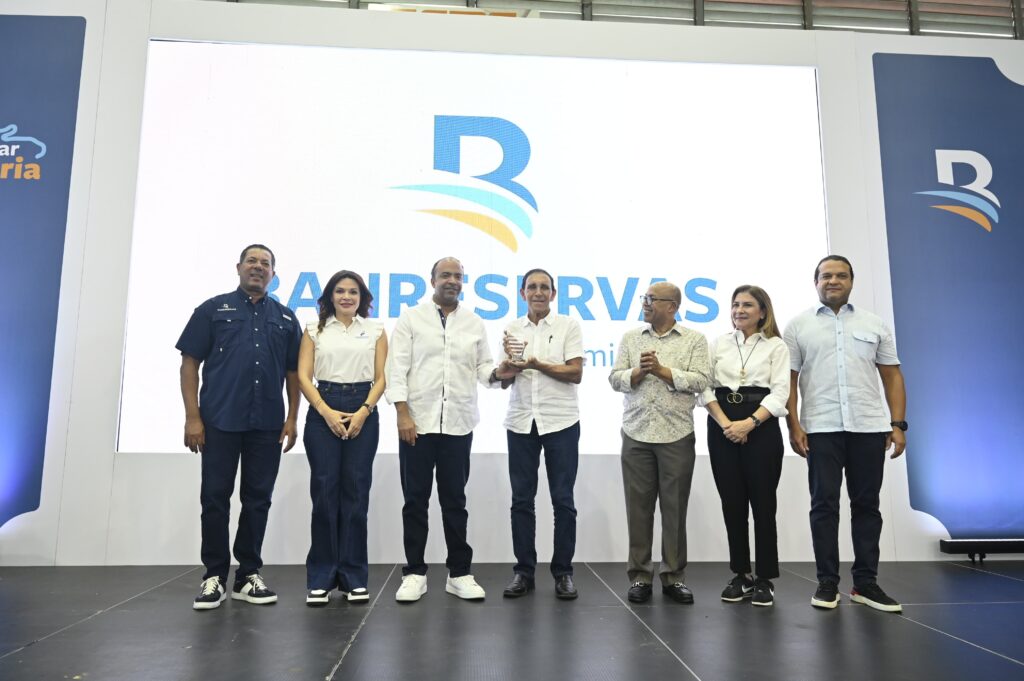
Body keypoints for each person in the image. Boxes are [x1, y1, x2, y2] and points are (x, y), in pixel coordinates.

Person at [177, 244, 301, 610]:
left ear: (273, 274)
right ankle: (214, 575)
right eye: (252, 261)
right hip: (218, 422)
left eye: (265, 264)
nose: (258, 268)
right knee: (215, 498)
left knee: (257, 499)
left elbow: (294, 373)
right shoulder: (212, 310)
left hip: (266, 424)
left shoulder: (286, 318)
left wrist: (293, 417)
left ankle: (248, 574)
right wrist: (192, 416)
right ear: (238, 267)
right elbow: (189, 365)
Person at [784, 255, 908, 613]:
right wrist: (794, 424)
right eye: (825, 276)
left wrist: (898, 424)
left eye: (840, 276)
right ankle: (827, 583)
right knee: (824, 506)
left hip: (869, 428)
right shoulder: (798, 327)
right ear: (816, 282)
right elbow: (788, 381)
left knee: (867, 505)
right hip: (820, 428)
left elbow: (892, 375)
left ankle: (866, 583)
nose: (832, 281)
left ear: (852, 281)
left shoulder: (874, 323)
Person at [385, 257, 512, 603]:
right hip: (417, 424)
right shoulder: (412, 318)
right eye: (446, 275)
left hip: (458, 424)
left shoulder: (473, 322)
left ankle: (459, 572)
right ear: (432, 281)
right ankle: (414, 573)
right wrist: (402, 413)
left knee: (455, 501)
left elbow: (484, 369)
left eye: (457, 276)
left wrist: (502, 371)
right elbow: (396, 368)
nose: (452, 280)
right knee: (415, 501)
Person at [608, 282, 710, 604]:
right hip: (636, 433)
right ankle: (639, 576)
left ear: (672, 306)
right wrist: (637, 372)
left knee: (674, 509)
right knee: (638, 509)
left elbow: (703, 380)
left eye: (651, 299)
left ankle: (673, 577)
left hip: (676, 434)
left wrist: (665, 371)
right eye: (644, 298)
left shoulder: (694, 340)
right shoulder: (630, 338)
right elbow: (614, 378)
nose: (645, 304)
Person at [297, 270, 387, 606]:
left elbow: (381, 378)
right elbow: (305, 377)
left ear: (362, 297)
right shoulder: (314, 329)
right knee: (324, 493)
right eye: (340, 291)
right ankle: (321, 577)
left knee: (355, 494)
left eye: (353, 292)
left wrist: (363, 412)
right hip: (324, 410)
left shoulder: (375, 330)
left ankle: (353, 577)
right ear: (330, 296)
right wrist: (326, 411)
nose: (346, 297)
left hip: (363, 409)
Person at [497, 268, 584, 600]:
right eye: (531, 287)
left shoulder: (568, 326)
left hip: (561, 421)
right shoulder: (511, 328)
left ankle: (563, 572)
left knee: (563, 501)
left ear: (553, 293)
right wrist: (510, 368)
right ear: (522, 293)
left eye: (544, 287)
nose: (538, 292)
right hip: (521, 421)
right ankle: (524, 571)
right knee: (522, 501)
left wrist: (535, 364)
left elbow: (575, 373)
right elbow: (504, 380)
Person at [701, 285, 790, 607]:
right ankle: (741, 574)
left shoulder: (776, 346)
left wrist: (749, 423)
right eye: (735, 304)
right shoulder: (718, 344)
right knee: (732, 504)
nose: (739, 310)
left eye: (747, 305)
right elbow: (704, 387)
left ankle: (765, 578)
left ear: (763, 312)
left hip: (761, 427)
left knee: (763, 506)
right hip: (722, 425)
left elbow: (781, 393)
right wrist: (726, 424)